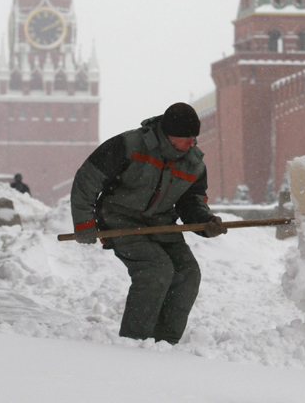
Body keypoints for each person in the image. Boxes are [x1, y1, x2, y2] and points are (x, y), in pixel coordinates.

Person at [70, 102, 227, 344]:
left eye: (194, 136)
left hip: (161, 224)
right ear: (168, 132)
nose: (191, 142)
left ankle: (165, 343)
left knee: (188, 273)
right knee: (155, 271)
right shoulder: (129, 145)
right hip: (121, 221)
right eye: (185, 136)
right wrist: (84, 224)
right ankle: (134, 342)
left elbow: (191, 201)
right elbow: (87, 179)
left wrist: (205, 221)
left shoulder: (193, 164)